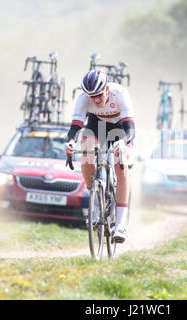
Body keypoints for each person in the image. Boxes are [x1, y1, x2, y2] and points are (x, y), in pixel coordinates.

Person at [65, 69, 135, 243]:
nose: (95, 100)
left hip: (121, 128)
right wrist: (71, 142)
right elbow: (75, 127)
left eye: (99, 95)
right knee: (87, 156)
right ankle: (95, 203)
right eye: (91, 96)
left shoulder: (119, 94)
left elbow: (130, 128)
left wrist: (124, 142)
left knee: (121, 164)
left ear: (107, 89)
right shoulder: (83, 99)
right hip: (96, 126)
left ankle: (120, 224)